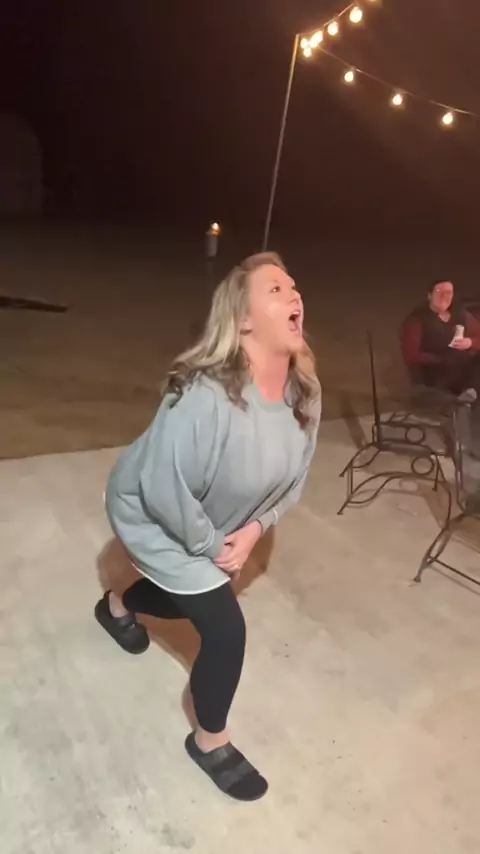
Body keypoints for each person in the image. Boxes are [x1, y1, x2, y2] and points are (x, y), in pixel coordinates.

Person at [94, 252, 321, 802]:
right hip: (153, 511)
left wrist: (256, 529)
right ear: (242, 321)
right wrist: (212, 545)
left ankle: (118, 604)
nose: (294, 294)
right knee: (224, 628)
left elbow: (294, 481)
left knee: (191, 599)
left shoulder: (305, 395)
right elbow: (163, 488)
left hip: (214, 521)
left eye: (293, 286)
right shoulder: (202, 396)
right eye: (275, 289)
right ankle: (210, 741)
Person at [402, 280, 480, 395]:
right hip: (434, 371)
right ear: (429, 295)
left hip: (464, 368)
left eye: (449, 292)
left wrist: (470, 342)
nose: (445, 296)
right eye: (440, 291)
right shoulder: (417, 319)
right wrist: (443, 359)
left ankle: (470, 394)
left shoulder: (460, 314)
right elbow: (411, 355)